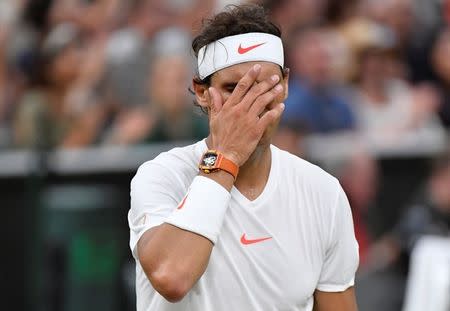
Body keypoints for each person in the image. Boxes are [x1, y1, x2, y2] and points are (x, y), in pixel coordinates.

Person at [128, 5, 359, 311]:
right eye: (233, 89)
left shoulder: (323, 192)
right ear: (202, 93)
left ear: (286, 84)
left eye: (266, 86)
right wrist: (226, 156)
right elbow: (172, 277)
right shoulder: (161, 176)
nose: (250, 103)